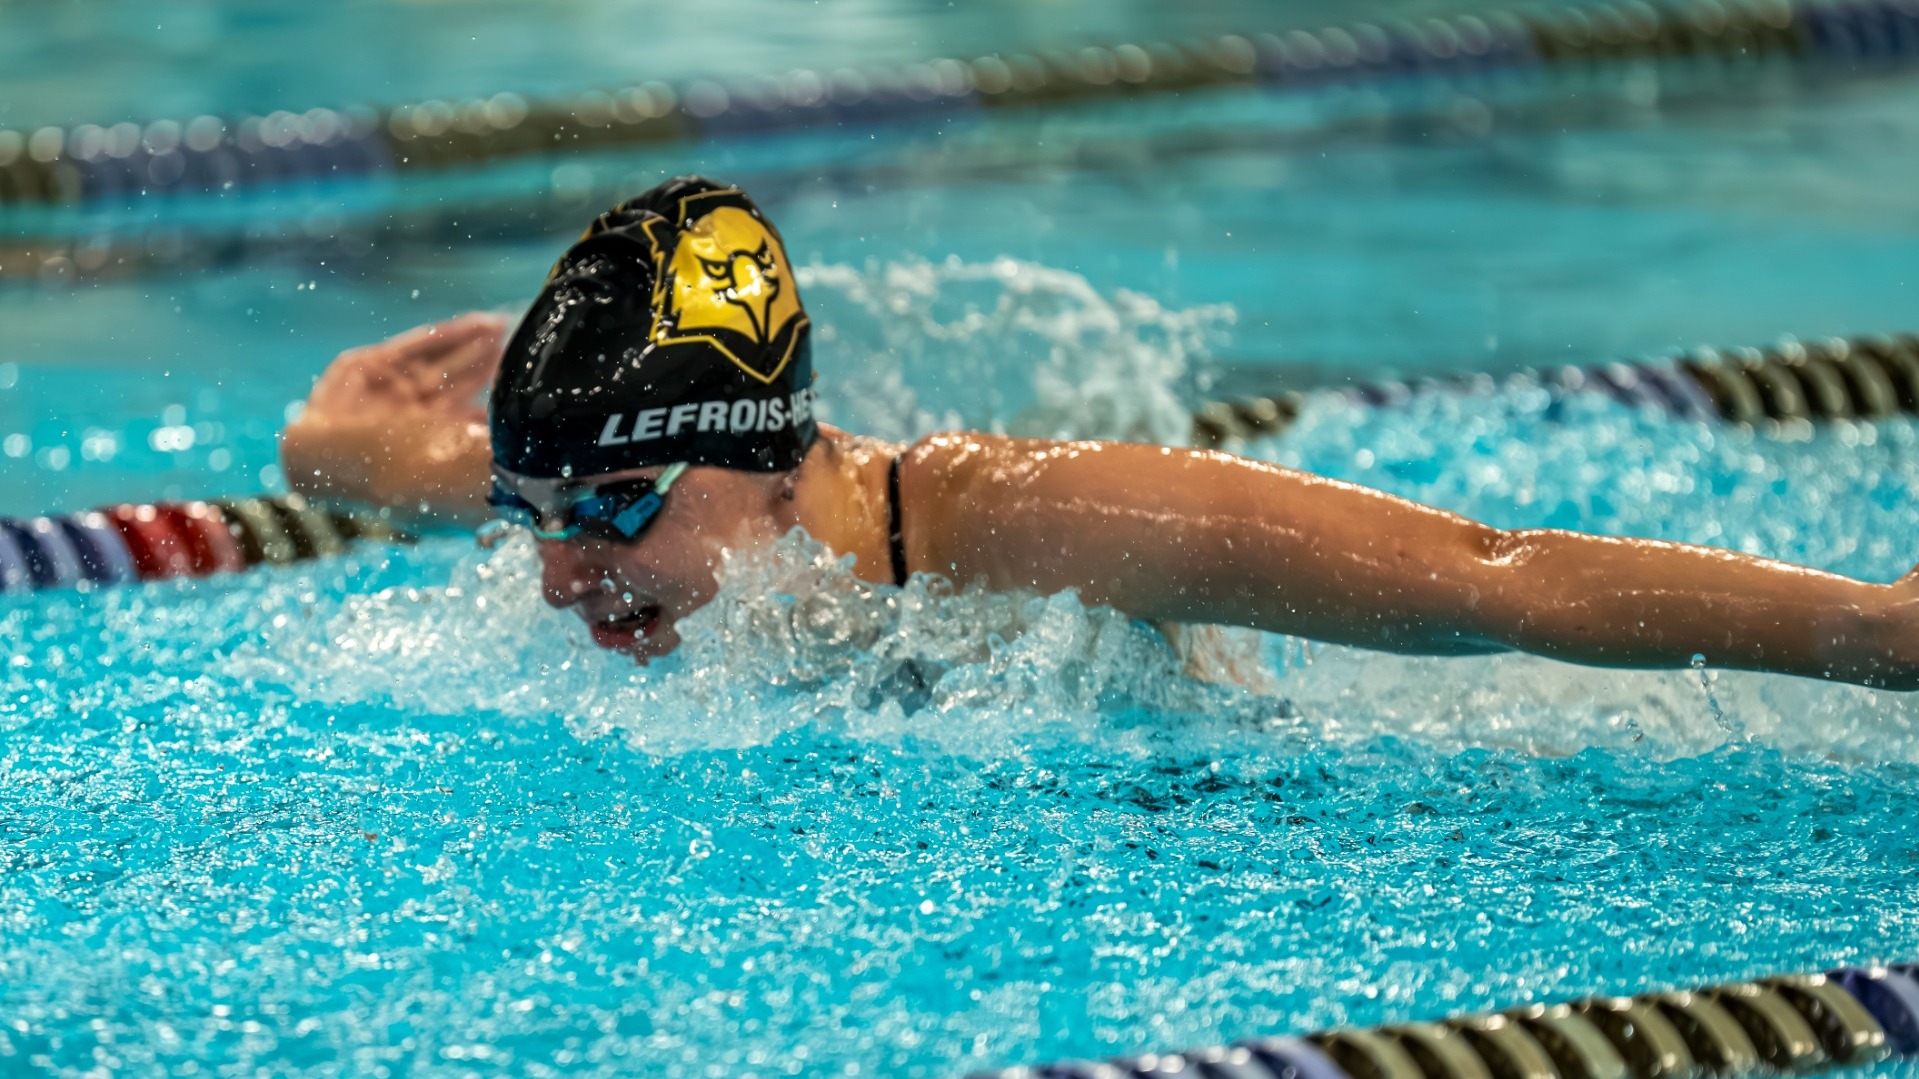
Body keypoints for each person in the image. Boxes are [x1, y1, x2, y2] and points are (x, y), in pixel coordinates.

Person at [281, 175, 1919, 689]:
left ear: (770, 454)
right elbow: (416, 471)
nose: (561, 572)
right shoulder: (612, 512)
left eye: (613, 512)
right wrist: (323, 452)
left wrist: (1880, 629)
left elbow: (1488, 573)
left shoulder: (1031, 531)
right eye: (533, 513)